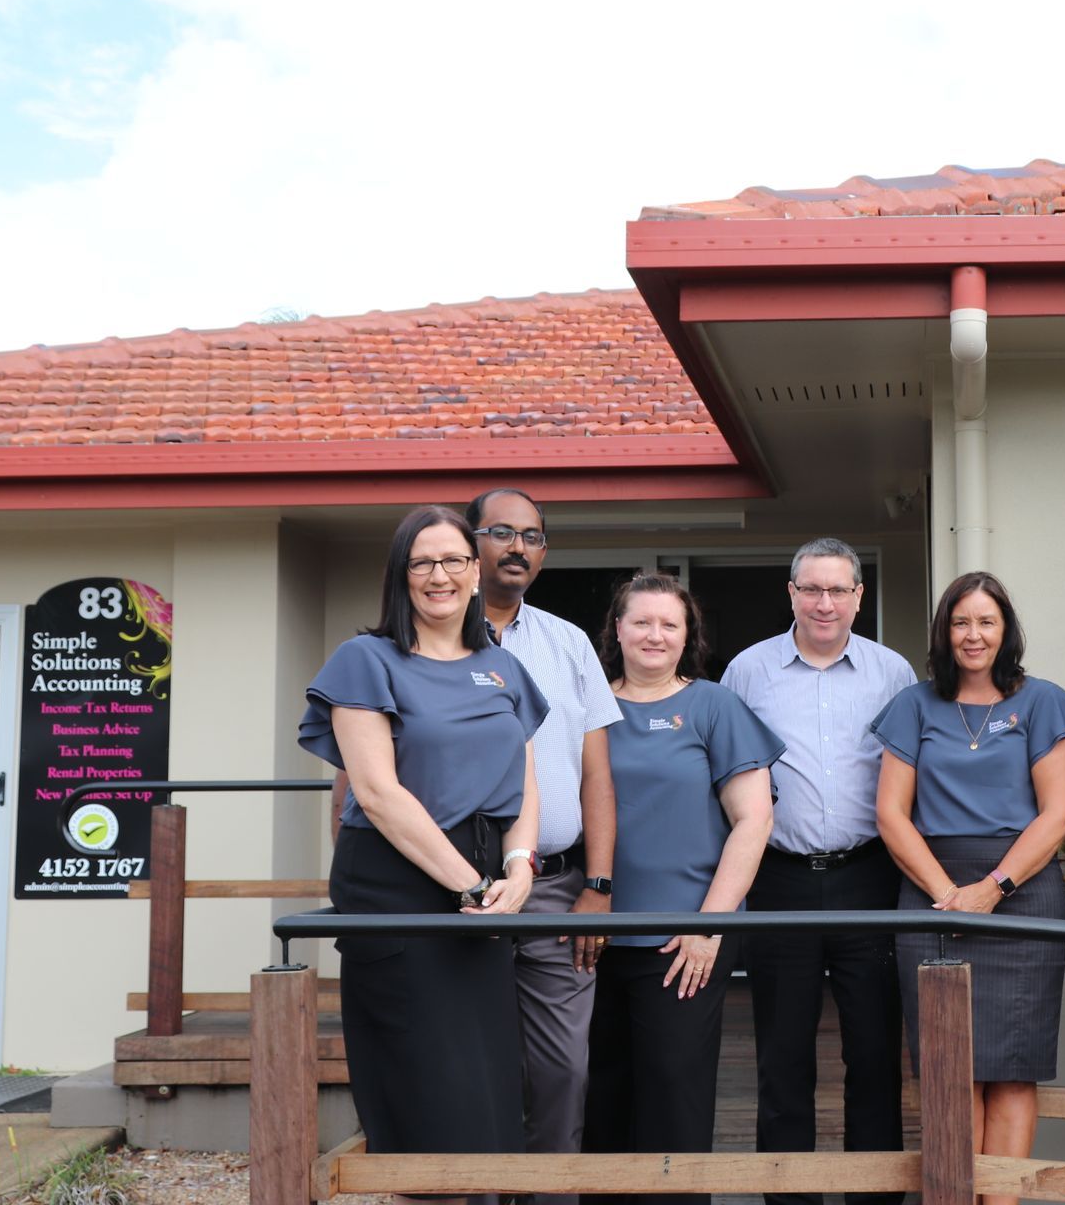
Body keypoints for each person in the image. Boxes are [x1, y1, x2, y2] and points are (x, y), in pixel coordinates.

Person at [298, 505, 547, 1204]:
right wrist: (470, 885)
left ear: (476, 574)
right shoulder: (364, 660)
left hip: (483, 888)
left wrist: (521, 864)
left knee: (488, 1088)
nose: (440, 575)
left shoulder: (503, 667)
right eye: (423, 562)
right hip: (398, 888)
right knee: (427, 1096)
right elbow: (376, 793)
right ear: (401, 577)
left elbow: (526, 779)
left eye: (454, 561)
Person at [872, 571, 1065, 1202]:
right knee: (951, 1070)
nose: (973, 634)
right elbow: (891, 814)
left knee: (1015, 1071)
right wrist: (948, 893)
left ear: (1006, 630)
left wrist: (991, 888)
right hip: (930, 892)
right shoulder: (914, 705)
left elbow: (1058, 815)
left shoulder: (1042, 701)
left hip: (1022, 894)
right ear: (944, 630)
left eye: (986, 621)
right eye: (960, 621)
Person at [721, 538, 917, 1205]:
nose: (825, 602)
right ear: (792, 593)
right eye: (812, 589)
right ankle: (790, 1197)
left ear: (860, 596)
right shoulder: (747, 673)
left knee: (872, 1055)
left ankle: (874, 1197)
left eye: (838, 590)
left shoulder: (893, 675)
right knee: (782, 1057)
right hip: (780, 880)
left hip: (870, 879)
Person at [582, 572, 780, 1205]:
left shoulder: (712, 706)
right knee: (597, 1097)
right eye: (641, 621)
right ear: (617, 629)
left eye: (670, 624)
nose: (654, 635)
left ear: (688, 634)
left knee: (674, 1095)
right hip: (591, 936)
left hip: (682, 943)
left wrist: (708, 926)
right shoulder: (587, 710)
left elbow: (754, 819)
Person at [466, 487, 622, 1205]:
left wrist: (599, 883)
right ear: (470, 543)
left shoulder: (568, 643)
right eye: (501, 532)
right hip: (458, 890)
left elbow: (595, 771)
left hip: (559, 890)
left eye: (531, 536)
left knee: (564, 1069)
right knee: (473, 1066)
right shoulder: (426, 636)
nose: (517, 547)